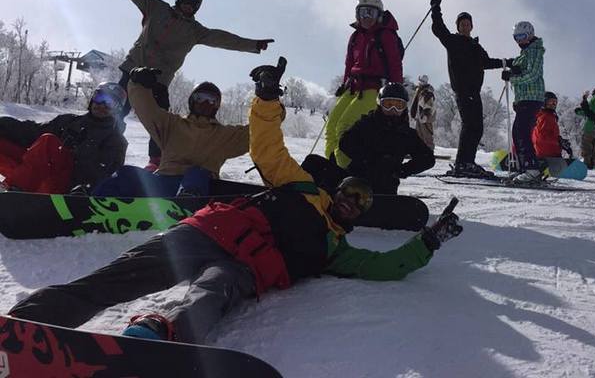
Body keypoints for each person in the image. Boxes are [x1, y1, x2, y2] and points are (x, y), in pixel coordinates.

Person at [8, 56, 463, 345]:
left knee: (214, 294)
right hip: (208, 231)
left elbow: (384, 267)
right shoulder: (303, 188)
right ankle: (27, 321)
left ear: (361, 212)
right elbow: (267, 149)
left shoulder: (335, 249)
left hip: (244, 268)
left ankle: (155, 335)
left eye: (360, 201)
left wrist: (429, 242)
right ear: (336, 190)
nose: (352, 201)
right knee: (122, 275)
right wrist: (265, 101)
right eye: (350, 192)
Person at [97, 0, 271, 171]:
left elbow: (223, 38)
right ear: (179, 0)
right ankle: (101, 153)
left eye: (193, 6)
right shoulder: (154, 7)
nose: (188, 7)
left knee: (161, 122)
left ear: (197, 9)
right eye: (186, 2)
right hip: (132, 73)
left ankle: (156, 163)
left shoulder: (194, 31)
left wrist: (253, 45)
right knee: (115, 114)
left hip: (159, 81)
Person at [92, 67, 248, 197]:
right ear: (192, 101)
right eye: (201, 98)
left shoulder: (225, 135)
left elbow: (258, 134)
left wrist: (267, 100)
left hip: (202, 188)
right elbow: (146, 108)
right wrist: (138, 84)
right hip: (165, 182)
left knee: (197, 173)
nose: (206, 103)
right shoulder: (172, 124)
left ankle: (186, 202)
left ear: (217, 106)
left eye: (212, 100)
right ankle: (91, 204)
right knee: (126, 173)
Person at [0, 83, 127, 193]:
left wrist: (83, 189)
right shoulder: (69, 121)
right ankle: (16, 189)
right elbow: (32, 131)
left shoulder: (115, 141)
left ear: (117, 109)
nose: (102, 105)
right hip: (36, 177)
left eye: (109, 103)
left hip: (69, 188)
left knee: (48, 142)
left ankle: (10, 192)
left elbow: (104, 176)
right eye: (99, 97)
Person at [429, 0, 504, 177]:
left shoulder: (475, 47)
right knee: (470, 125)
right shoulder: (453, 42)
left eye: (467, 23)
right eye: (461, 24)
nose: (465, 26)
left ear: (471, 26)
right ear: (458, 27)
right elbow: (439, 29)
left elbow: (487, 62)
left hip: (474, 91)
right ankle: (463, 163)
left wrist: (507, 63)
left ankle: (467, 162)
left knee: (476, 127)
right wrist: (435, 9)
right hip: (463, 90)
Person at [325, 0, 403, 167]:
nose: (366, 17)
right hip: (353, 87)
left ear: (379, 15)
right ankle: (330, 168)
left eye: (371, 13)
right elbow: (349, 63)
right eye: (362, 13)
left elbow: (395, 63)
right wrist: (344, 84)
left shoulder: (386, 36)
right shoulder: (355, 37)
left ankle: (346, 172)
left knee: (345, 127)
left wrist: (396, 90)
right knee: (331, 126)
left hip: (373, 89)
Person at [334, 83, 435, 195]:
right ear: (379, 104)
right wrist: (368, 160)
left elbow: (427, 159)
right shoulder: (367, 124)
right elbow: (344, 143)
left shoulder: (406, 134)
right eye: (388, 104)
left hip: (386, 189)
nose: (393, 109)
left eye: (398, 105)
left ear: (404, 107)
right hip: (357, 183)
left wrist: (403, 170)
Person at [504, 20, 545, 176]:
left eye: (522, 36)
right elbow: (520, 68)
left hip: (532, 97)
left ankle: (531, 169)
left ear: (530, 34)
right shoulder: (526, 53)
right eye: (516, 37)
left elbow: (533, 74)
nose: (519, 40)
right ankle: (525, 168)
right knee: (518, 132)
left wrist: (512, 77)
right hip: (525, 98)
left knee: (521, 132)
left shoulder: (535, 51)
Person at [531, 91, 574, 178]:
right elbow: (542, 137)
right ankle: (545, 165)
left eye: (555, 102)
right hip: (546, 153)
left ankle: (546, 165)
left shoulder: (547, 116)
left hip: (546, 152)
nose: (553, 104)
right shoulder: (546, 116)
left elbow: (549, 135)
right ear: (544, 102)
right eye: (551, 102)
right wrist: (559, 142)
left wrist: (560, 140)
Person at [575, 84, 595, 169]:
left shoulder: (593, 99)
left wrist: (578, 111)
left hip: (589, 128)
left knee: (587, 148)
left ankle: (587, 166)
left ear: (594, 92)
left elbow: (587, 111)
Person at [410, 75, 436, 150]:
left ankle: (429, 150)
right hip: (419, 117)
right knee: (419, 135)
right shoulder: (419, 90)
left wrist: (426, 115)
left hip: (425, 118)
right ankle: (419, 151)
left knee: (427, 135)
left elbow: (428, 104)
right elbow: (417, 103)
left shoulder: (427, 92)